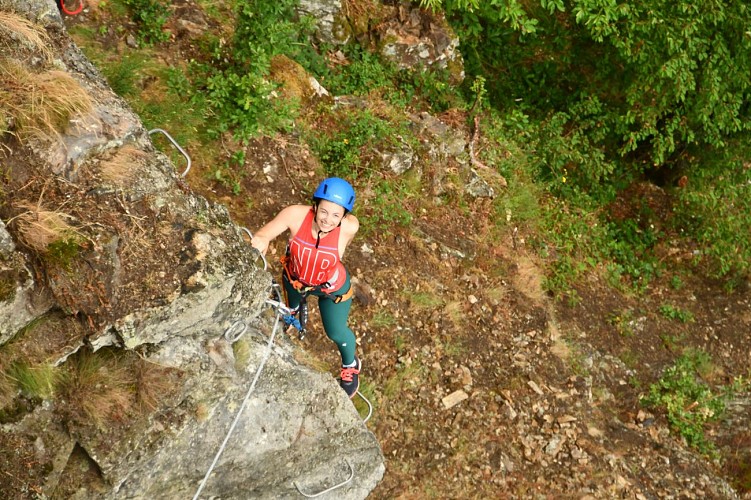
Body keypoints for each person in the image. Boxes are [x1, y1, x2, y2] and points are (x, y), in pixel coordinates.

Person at [250, 177, 362, 397]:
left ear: (344, 217)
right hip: (296, 279)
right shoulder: (295, 215)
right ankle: (291, 315)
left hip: (332, 288)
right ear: (315, 205)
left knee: (336, 332)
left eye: (336, 215)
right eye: (324, 212)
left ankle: (351, 364)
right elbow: (266, 232)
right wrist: (261, 239)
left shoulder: (350, 227)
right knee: (290, 308)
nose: (328, 220)